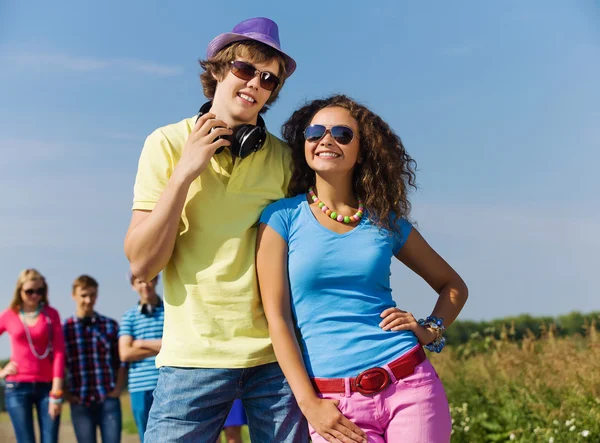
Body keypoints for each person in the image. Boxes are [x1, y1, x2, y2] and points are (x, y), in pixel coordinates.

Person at [124, 17, 308, 442]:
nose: (255, 83)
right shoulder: (166, 144)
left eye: (268, 79)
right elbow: (141, 262)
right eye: (245, 69)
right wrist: (185, 173)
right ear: (219, 70)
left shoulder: (284, 160)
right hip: (192, 359)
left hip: (273, 360)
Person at [257, 95, 469, 443]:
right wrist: (309, 403)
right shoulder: (281, 218)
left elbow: (453, 285)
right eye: (315, 132)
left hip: (410, 385)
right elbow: (277, 318)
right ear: (304, 144)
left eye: (342, 133)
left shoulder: (385, 222)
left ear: (362, 149)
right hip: (334, 405)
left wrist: (431, 329)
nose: (327, 140)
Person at [0, 269, 65, 443]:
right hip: (17, 388)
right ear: (19, 290)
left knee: (50, 439)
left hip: (47, 387)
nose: (35, 295)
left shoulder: (51, 314)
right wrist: (1, 371)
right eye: (30, 291)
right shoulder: (9, 315)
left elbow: (59, 352)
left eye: (40, 291)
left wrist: (56, 393)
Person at [63, 275, 127, 443]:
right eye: (84, 295)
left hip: (107, 398)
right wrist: (67, 394)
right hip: (80, 400)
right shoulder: (65, 329)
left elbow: (121, 360)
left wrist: (118, 388)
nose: (88, 300)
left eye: (92, 295)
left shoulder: (109, 325)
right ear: (74, 296)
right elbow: (58, 364)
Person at [118, 274, 164, 442]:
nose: (145, 285)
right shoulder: (129, 316)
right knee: (146, 436)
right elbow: (125, 353)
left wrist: (140, 343)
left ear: (157, 281)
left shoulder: (171, 310)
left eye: (150, 279)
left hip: (166, 382)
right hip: (139, 386)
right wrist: (159, 347)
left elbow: (176, 344)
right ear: (133, 286)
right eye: (139, 282)